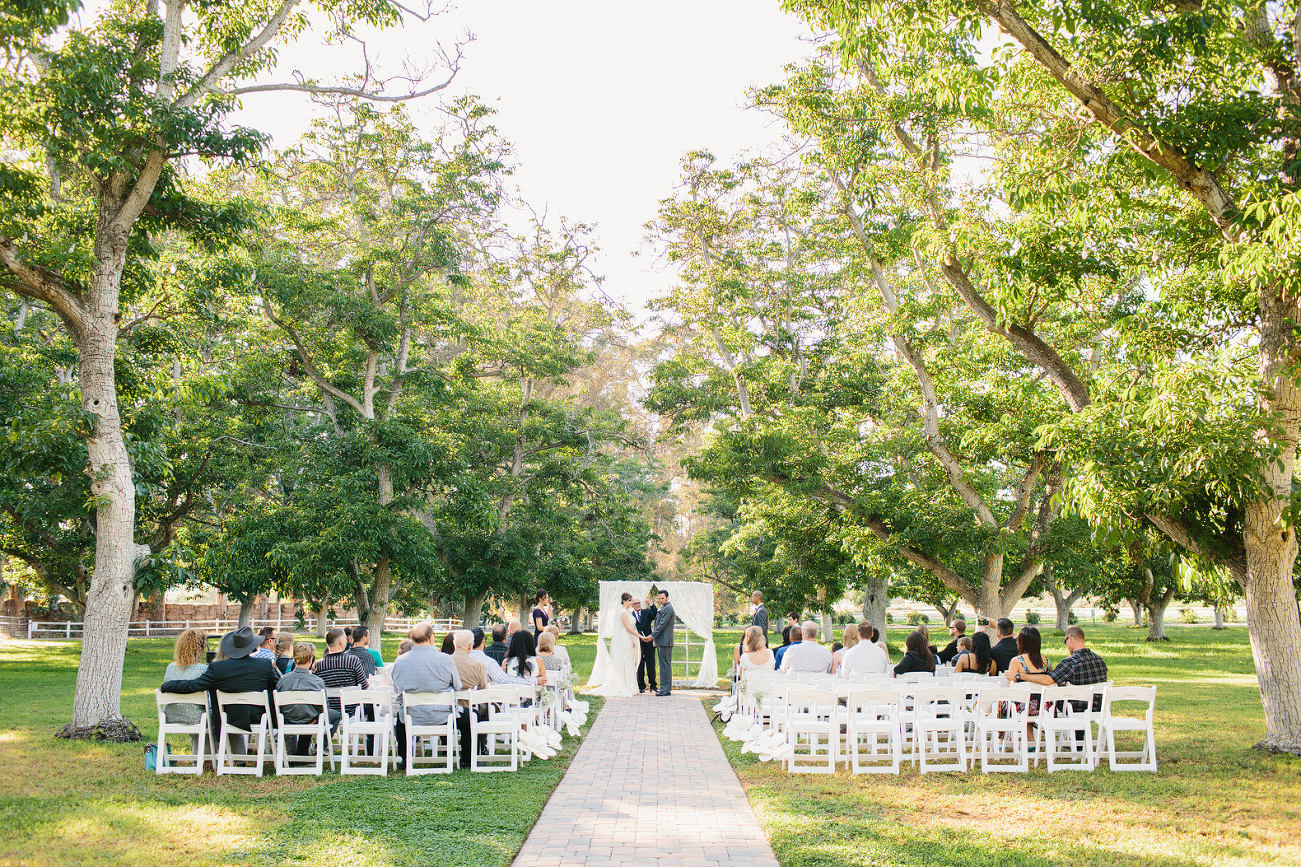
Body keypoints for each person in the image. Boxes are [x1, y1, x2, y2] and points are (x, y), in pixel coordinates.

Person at [159, 626, 279, 756]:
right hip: (260, 718)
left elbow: (193, 685)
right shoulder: (265, 665)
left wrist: (166, 686)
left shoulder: (218, 668)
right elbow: (279, 685)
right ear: (252, 646)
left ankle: (225, 757)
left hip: (229, 718)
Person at [389, 621, 468, 769]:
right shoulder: (445, 659)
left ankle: (405, 757)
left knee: (401, 719)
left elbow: (397, 689)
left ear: (412, 638)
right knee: (471, 716)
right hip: (443, 715)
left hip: (412, 716)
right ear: (431, 638)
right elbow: (458, 685)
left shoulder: (399, 661)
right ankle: (467, 758)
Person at [276, 641, 336, 756]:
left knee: (308, 713)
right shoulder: (317, 681)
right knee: (333, 715)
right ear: (310, 660)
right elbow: (324, 707)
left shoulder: (282, 680)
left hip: (288, 719)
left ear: (294, 658)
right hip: (311, 721)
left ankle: (301, 753)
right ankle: (321, 745)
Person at [162, 628, 208, 757]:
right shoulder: (204, 669)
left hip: (170, 715)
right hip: (196, 717)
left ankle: (197, 757)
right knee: (212, 718)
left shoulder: (170, 668)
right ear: (200, 648)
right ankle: (208, 760)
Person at [590, 592, 640, 697]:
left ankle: (630, 686)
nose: (632, 602)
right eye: (630, 600)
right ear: (625, 601)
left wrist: (633, 640)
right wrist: (640, 636)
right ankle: (623, 685)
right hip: (623, 637)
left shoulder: (628, 611)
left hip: (628, 638)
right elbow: (628, 628)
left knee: (628, 660)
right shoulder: (623, 612)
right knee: (624, 660)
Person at [312, 627, 368, 716]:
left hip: (328, 711)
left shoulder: (318, 665)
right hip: (351, 710)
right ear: (341, 642)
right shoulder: (353, 661)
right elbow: (364, 686)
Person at [651, 589, 675, 696]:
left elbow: (662, 624)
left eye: (662, 598)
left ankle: (665, 689)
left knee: (664, 666)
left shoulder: (668, 608)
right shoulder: (664, 608)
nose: (661, 600)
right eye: (659, 598)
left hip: (664, 641)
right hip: (662, 641)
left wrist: (652, 635)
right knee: (665, 665)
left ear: (667, 598)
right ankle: (667, 689)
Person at [633, 597, 658, 694]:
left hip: (649, 642)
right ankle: (641, 686)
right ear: (632, 605)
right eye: (635, 603)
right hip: (637, 642)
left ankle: (653, 685)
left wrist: (651, 604)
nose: (638, 604)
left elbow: (655, 614)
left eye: (639, 603)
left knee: (651, 664)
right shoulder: (630, 615)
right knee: (639, 664)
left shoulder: (647, 612)